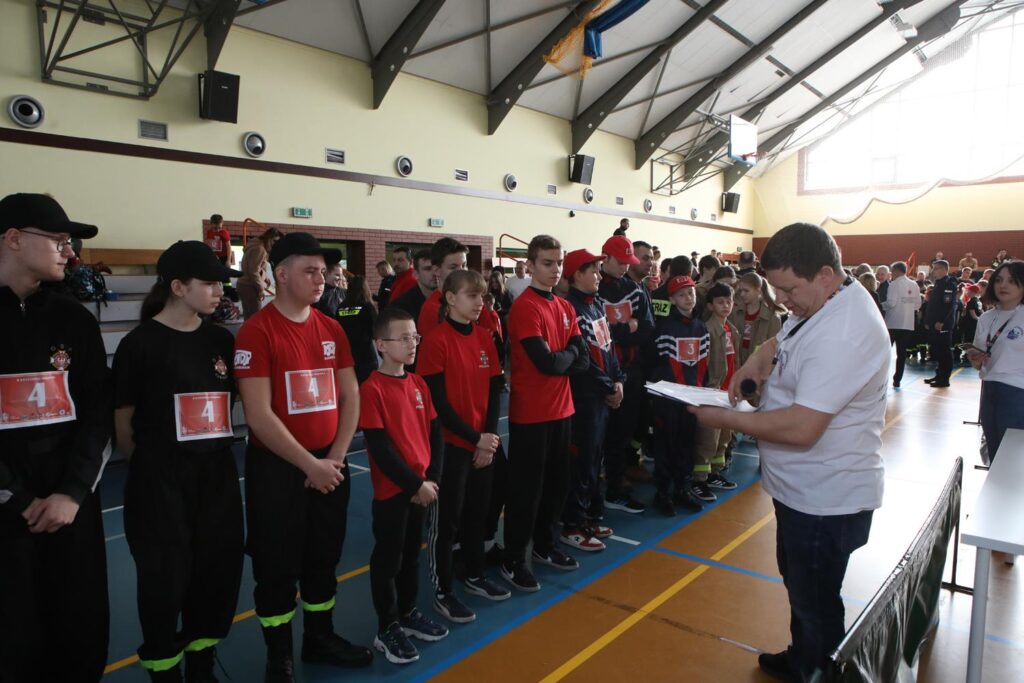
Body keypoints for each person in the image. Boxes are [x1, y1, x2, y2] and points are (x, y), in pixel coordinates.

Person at [689, 222, 888, 682]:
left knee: (815, 599)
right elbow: (784, 338)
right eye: (775, 289)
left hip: (825, 496)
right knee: (802, 586)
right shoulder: (827, 301)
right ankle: (804, 658)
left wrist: (723, 418)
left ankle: (818, 670)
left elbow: (802, 428)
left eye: (788, 289)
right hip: (803, 489)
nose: (781, 300)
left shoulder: (845, 331)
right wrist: (755, 361)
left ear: (824, 274)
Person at [234, 232, 372, 680]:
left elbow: (350, 395)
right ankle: (279, 656)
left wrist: (334, 458)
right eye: (310, 271)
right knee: (276, 566)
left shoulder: (332, 328)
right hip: (279, 470)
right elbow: (258, 414)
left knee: (323, 558)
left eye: (323, 271)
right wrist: (309, 465)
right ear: (281, 273)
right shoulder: (257, 331)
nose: (321, 279)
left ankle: (319, 637)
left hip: (330, 464)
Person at [113, 241, 244, 682]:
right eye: (209, 284)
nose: (219, 292)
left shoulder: (220, 340)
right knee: (164, 580)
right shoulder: (139, 345)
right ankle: (164, 669)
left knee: (216, 572)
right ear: (177, 287)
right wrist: (156, 468)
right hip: (161, 480)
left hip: (217, 475)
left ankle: (202, 666)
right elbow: (124, 424)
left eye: (221, 284)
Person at [0, 193, 112, 682]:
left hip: (70, 504)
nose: (71, 253)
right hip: (8, 506)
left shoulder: (74, 319)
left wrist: (72, 492)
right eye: (60, 241)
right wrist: (16, 496)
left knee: (78, 626)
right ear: (13, 239)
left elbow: (97, 412)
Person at [420, 270, 510, 624]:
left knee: (477, 513)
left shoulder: (485, 338)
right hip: (451, 447)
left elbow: (493, 392)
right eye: (471, 296)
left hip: (481, 445)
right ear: (450, 298)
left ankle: (475, 574)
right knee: (447, 523)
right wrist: (475, 439)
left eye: (483, 296)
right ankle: (443, 590)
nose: (479, 303)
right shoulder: (436, 341)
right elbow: (438, 404)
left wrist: (488, 439)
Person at [360, 308, 448, 665]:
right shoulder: (372, 389)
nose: (413, 344)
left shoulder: (418, 384)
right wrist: (414, 483)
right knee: (389, 559)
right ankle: (387, 626)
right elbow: (381, 448)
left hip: (422, 490)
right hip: (393, 493)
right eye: (404, 338)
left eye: (415, 337)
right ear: (381, 345)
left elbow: (436, 433)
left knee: (412, 554)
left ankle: (408, 612)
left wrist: (432, 479)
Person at [502, 235, 589, 592]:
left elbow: (582, 360)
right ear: (531, 265)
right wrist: (566, 356)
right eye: (547, 263)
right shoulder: (525, 308)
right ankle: (512, 558)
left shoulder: (566, 307)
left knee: (556, 486)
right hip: (531, 414)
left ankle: (545, 545)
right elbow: (545, 362)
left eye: (559, 263)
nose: (555, 270)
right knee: (526, 492)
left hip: (562, 410)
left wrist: (563, 358)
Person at [561, 249, 623, 552]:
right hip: (584, 399)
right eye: (594, 271)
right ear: (577, 275)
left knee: (595, 460)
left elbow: (609, 349)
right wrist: (608, 386)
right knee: (581, 462)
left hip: (602, 398)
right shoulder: (570, 310)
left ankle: (590, 515)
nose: (599, 276)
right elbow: (582, 361)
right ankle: (572, 524)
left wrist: (619, 380)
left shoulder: (596, 306)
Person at [599, 235, 654, 512]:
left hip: (630, 372)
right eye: (619, 262)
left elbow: (647, 331)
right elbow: (594, 334)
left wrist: (616, 332)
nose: (624, 267)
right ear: (605, 258)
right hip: (600, 374)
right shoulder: (593, 288)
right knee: (595, 435)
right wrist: (626, 328)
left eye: (627, 262)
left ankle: (616, 485)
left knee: (623, 432)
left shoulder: (635, 290)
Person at [648, 275, 709, 515]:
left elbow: (702, 364)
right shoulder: (665, 327)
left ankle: (682, 488)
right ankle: (663, 492)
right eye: (681, 295)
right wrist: (679, 391)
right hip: (668, 398)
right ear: (672, 299)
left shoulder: (701, 327)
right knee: (666, 446)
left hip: (691, 397)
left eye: (691, 293)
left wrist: (697, 392)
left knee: (686, 444)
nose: (688, 298)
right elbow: (664, 363)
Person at [966, 261, 1024, 460]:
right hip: (989, 389)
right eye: (998, 280)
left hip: (1018, 392)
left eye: (1011, 281)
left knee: (1012, 457)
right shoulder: (986, 318)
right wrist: (975, 358)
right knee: (994, 451)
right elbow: (978, 363)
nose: (1003, 285)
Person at [703, 282, 740, 490]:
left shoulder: (731, 329)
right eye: (720, 302)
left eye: (728, 301)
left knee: (724, 436)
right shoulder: (708, 330)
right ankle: (700, 478)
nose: (725, 305)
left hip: (729, 392)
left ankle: (715, 472)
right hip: (713, 391)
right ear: (710, 305)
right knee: (708, 438)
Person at [729, 271, 784, 370]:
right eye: (740, 291)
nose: (742, 294)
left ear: (758, 290)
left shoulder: (772, 317)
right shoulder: (735, 312)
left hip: (759, 368)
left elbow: (774, 348)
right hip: (737, 364)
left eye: (746, 291)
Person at [417, 237, 469, 338]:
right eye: (453, 267)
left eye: (464, 265)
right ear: (436, 270)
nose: (461, 271)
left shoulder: (473, 301)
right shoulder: (431, 310)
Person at [882, 262, 922, 388]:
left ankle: (882, 379)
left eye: (892, 271)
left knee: (886, 352)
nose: (891, 274)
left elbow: (891, 303)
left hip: (893, 323)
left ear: (896, 271)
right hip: (907, 324)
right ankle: (897, 379)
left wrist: (880, 305)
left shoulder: (894, 284)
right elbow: (918, 304)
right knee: (902, 354)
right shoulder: (914, 284)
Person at [336, 276, 379, 383]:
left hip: (347, 354)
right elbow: (376, 330)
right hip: (366, 354)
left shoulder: (340, 308)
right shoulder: (367, 307)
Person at [923, 260, 958, 388]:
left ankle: (944, 378)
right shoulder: (938, 283)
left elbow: (947, 305)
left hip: (943, 323)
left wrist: (941, 321)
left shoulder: (949, 284)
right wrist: (929, 321)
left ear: (944, 269)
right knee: (937, 349)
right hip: (935, 322)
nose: (933, 271)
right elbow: (933, 305)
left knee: (944, 350)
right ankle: (939, 374)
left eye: (936, 268)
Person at [237, 227, 281, 320]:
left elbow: (255, 267)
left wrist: (264, 278)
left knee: (249, 316)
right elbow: (253, 271)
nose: (275, 244)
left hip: (244, 284)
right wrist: (260, 288)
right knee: (255, 317)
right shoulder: (260, 249)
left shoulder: (255, 245)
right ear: (269, 238)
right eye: (274, 241)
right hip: (249, 286)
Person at [392, 249, 436, 324]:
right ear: (416, 274)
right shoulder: (401, 306)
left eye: (437, 268)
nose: (435, 273)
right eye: (428, 269)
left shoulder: (447, 301)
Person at [958, 282, 983, 365]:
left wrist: (979, 319)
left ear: (973, 292)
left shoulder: (971, 301)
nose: (967, 292)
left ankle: (968, 356)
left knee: (968, 341)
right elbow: (981, 312)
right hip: (974, 325)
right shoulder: (978, 301)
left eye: (969, 291)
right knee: (972, 340)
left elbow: (973, 315)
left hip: (969, 325)